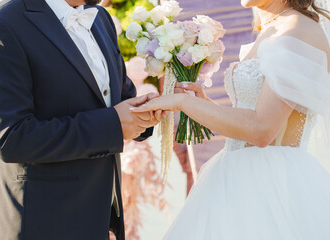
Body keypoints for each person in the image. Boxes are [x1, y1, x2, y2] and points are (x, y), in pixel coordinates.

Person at [132, 0, 330, 239]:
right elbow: (251, 117)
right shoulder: (273, 26)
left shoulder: (298, 30)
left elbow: (262, 130)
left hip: (274, 187)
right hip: (238, 177)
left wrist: (183, 103)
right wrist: (204, 105)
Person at [0, 0, 166, 239]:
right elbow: (12, 138)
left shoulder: (100, 18)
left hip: (98, 221)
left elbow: (116, 100)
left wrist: (150, 109)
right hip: (39, 224)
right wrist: (113, 125)